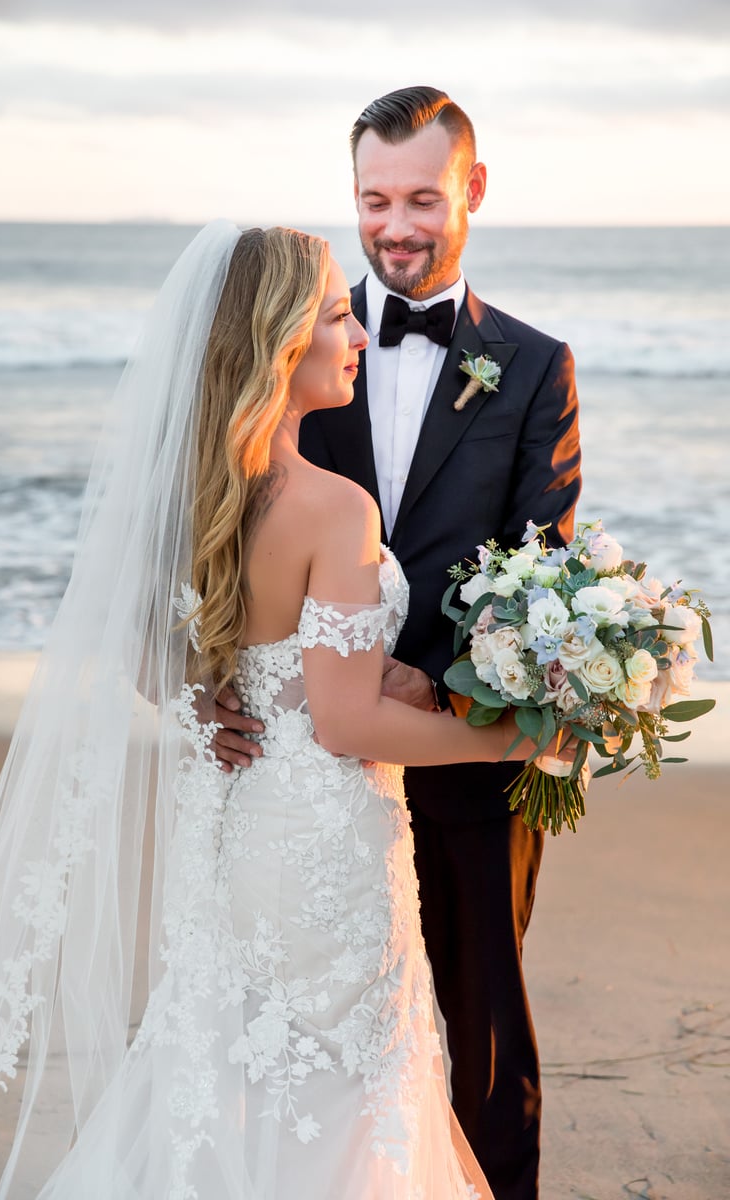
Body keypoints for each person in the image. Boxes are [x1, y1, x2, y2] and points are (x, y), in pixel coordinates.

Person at [0, 221, 570, 1198]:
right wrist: (506, 735)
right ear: (279, 344)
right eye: (335, 318)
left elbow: (135, 633)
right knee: (347, 1095)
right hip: (325, 849)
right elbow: (344, 723)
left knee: (229, 1073)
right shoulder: (334, 509)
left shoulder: (195, 495)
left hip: (234, 835)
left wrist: (198, 695)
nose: (358, 334)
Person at [221, 89, 582, 1200]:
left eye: (422, 199)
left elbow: (542, 569)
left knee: (481, 1036)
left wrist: (457, 699)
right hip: (311, 777)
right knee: (314, 1047)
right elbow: (216, 542)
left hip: (464, 754)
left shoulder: (534, 365)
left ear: (473, 191)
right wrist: (210, 685)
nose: (396, 227)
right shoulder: (293, 349)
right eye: (374, 201)